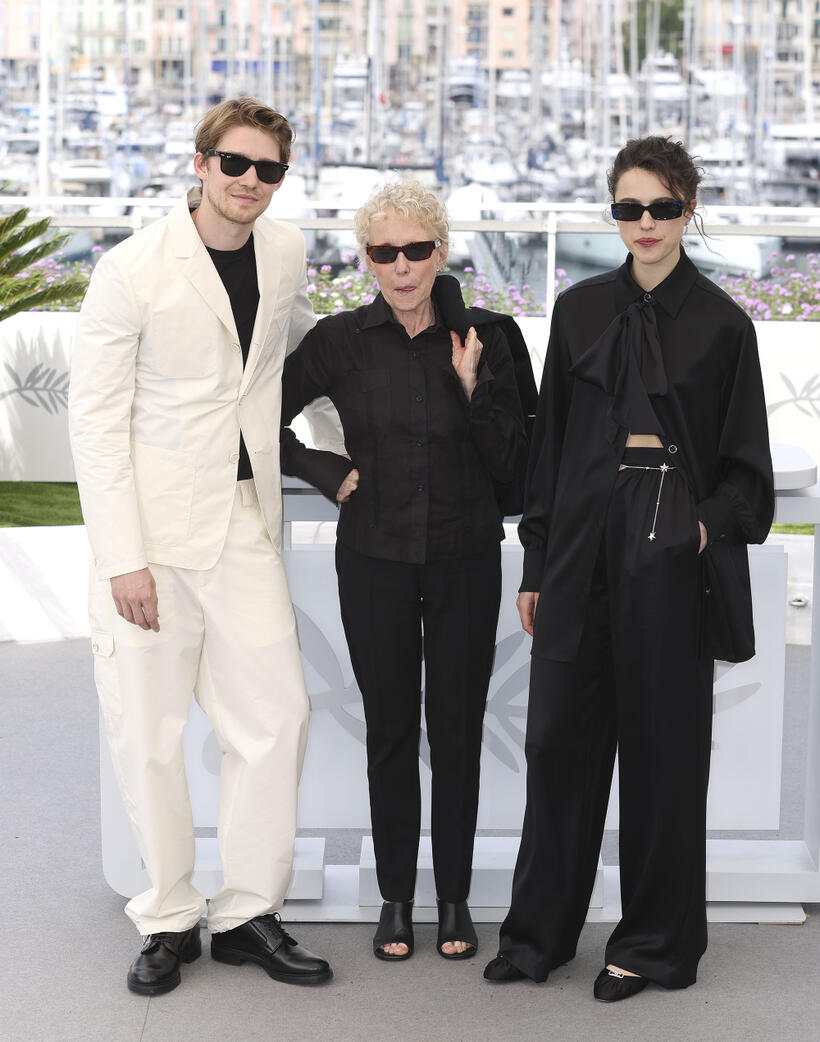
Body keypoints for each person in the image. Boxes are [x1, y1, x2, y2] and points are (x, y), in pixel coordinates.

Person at [483, 137, 774, 1000]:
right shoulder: (577, 311)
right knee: (558, 745)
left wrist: (695, 530)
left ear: (689, 208)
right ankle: (538, 937)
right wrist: (537, 561)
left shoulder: (724, 325)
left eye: (660, 207)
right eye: (627, 209)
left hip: (667, 539)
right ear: (612, 213)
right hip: (578, 539)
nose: (643, 225)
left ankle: (652, 947)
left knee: (662, 752)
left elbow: (746, 471)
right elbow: (550, 451)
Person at [69, 97, 343, 995]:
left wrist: (351, 448)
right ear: (200, 162)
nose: (250, 184)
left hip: (242, 520)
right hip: (148, 531)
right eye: (236, 164)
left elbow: (296, 354)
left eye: (269, 170)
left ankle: (247, 912)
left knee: (275, 719)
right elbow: (97, 423)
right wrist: (122, 558)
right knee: (149, 733)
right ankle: (167, 915)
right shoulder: (130, 270)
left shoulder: (288, 249)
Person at [279, 181, 530, 962]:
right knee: (390, 730)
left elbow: (520, 466)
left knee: (457, 729)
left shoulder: (492, 336)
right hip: (374, 559)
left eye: (416, 250)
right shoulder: (341, 340)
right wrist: (321, 468)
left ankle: (453, 898)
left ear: (441, 252)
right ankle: (395, 899)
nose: (402, 266)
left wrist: (470, 384)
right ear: (366, 260)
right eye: (384, 252)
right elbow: (251, 412)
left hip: (465, 558)